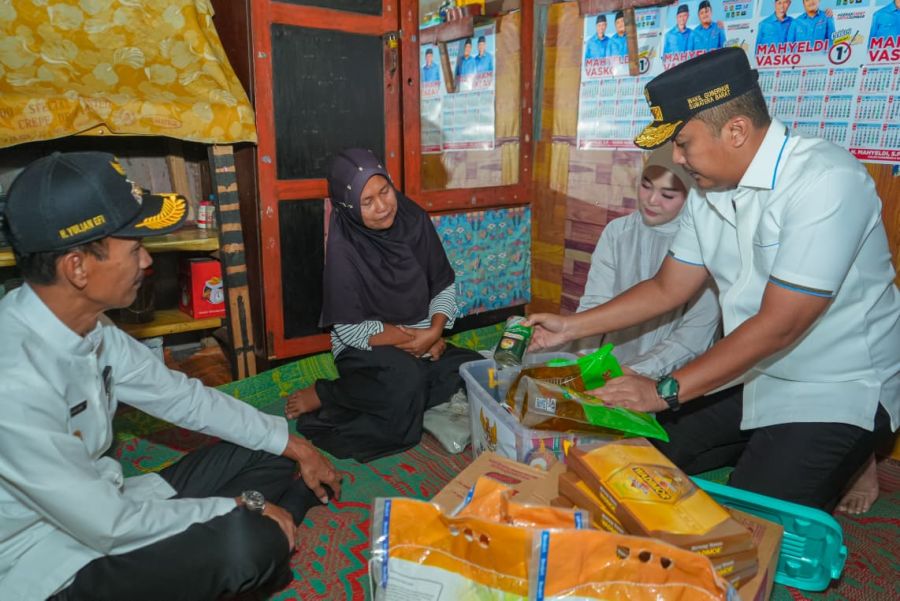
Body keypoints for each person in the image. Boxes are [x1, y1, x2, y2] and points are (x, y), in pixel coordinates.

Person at [526, 48, 899, 512]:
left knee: (752, 514)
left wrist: (665, 390)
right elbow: (669, 288)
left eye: (683, 143)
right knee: (635, 449)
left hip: (838, 384)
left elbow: (780, 324)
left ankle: (851, 447)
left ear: (736, 130)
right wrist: (573, 326)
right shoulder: (710, 188)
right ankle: (787, 444)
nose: (677, 158)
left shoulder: (826, 181)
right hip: (755, 368)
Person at [0, 152, 343, 601]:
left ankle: (279, 520)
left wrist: (296, 445)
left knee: (273, 449)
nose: (146, 261)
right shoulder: (13, 382)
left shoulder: (93, 327)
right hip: (48, 562)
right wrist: (239, 508)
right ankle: (280, 522)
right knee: (247, 544)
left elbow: (183, 398)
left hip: (112, 502)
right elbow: (108, 526)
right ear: (77, 267)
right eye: (135, 246)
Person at [286, 149, 482, 462]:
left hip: (420, 336)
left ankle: (407, 395)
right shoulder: (345, 247)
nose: (382, 207)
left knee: (472, 370)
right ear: (348, 206)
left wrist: (432, 331)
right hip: (367, 344)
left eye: (385, 191)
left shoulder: (413, 219)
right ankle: (329, 394)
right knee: (405, 387)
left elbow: (443, 284)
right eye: (367, 202)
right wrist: (417, 342)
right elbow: (350, 331)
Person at [575, 143, 720, 379]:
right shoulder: (618, 232)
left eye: (668, 195)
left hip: (676, 378)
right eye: (646, 185)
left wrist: (635, 372)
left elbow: (695, 335)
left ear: (691, 194)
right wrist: (582, 363)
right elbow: (595, 304)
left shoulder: (706, 245)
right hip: (612, 366)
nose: (652, 200)